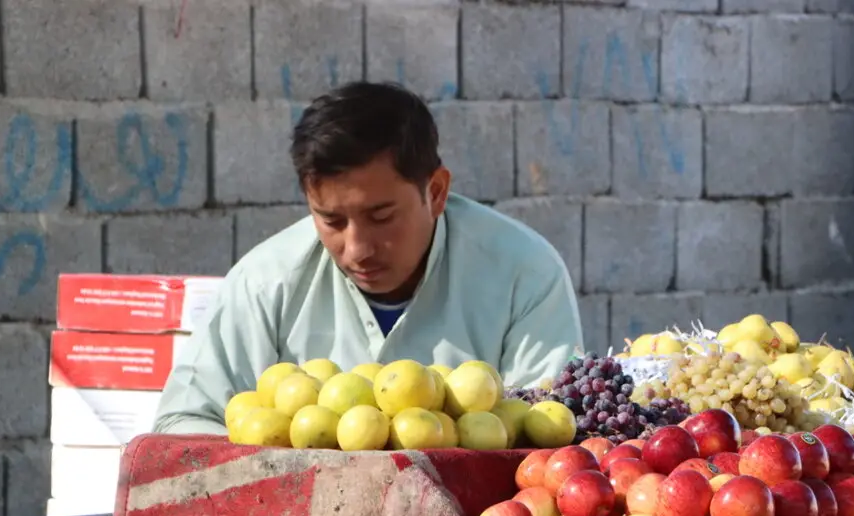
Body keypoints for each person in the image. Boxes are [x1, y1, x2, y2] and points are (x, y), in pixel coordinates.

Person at [153, 81, 584, 435]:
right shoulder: (266, 281)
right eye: (331, 221)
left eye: (381, 217)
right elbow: (181, 424)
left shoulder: (524, 273)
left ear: (435, 192)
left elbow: (550, 435)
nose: (357, 248)